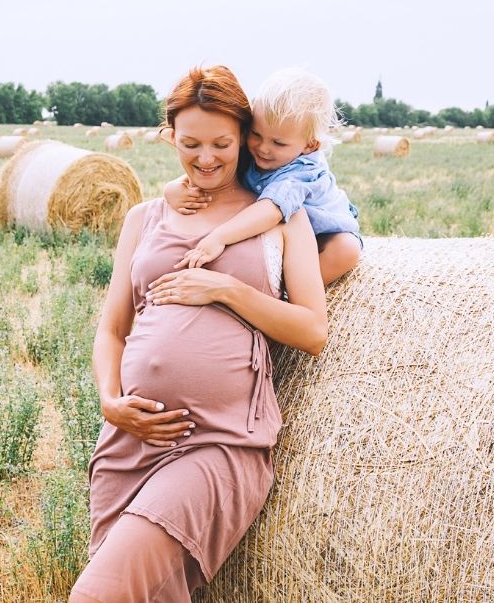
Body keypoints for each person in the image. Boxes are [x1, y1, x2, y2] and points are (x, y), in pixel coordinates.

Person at [70, 65, 328, 602]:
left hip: (218, 443)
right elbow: (113, 328)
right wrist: (109, 401)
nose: (206, 157)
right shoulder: (144, 218)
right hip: (128, 443)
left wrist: (224, 289)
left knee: (100, 595)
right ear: (170, 138)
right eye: (191, 143)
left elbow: (312, 329)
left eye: (221, 143)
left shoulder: (279, 218)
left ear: (244, 139)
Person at [162, 67, 362, 287]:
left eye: (278, 143)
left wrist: (219, 237)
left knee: (345, 250)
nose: (263, 148)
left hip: (324, 233)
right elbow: (210, 168)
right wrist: (172, 188)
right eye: (256, 134)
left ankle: (287, 293)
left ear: (310, 145)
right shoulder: (256, 150)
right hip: (285, 233)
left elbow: (270, 210)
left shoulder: (301, 172)